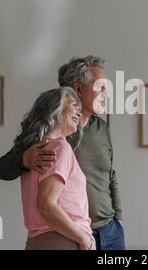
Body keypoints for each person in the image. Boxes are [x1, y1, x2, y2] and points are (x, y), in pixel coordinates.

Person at [0, 56, 125, 250]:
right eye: (101, 87)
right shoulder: (52, 133)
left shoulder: (101, 128)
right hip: (69, 234)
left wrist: (119, 218)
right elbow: (1, 169)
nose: (106, 93)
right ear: (78, 89)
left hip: (109, 230)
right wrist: (24, 159)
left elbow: (110, 174)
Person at [16, 87, 95, 250]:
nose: (79, 114)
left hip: (38, 241)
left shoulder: (32, 152)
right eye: (74, 105)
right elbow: (46, 204)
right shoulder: (60, 147)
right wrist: (84, 239)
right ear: (55, 108)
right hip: (64, 240)